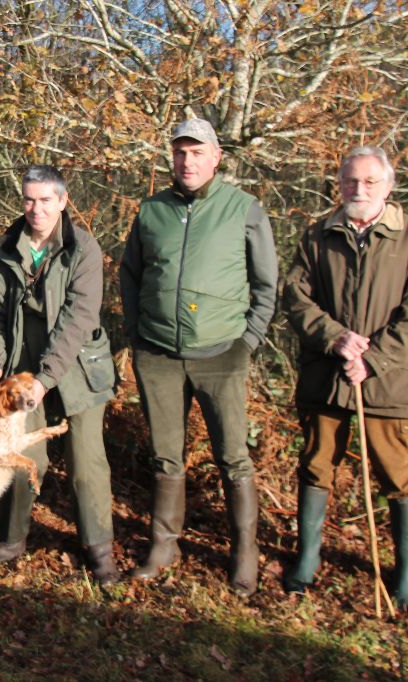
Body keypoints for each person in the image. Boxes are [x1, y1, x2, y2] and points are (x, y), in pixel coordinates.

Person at [281, 146, 408, 608]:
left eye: (370, 182)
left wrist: (376, 358)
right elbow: (294, 297)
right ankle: (307, 560)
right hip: (325, 377)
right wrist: (334, 338)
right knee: (316, 464)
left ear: (388, 186)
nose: (360, 189)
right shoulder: (317, 236)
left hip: (388, 382)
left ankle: (406, 572)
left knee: (398, 471)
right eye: (351, 181)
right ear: (339, 184)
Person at [119, 119, 278, 597]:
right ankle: (163, 547)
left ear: (216, 157)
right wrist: (138, 335)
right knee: (166, 455)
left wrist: (246, 342)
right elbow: (130, 274)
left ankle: (244, 554)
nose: (187, 162)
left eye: (197, 152)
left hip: (222, 353)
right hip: (159, 355)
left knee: (233, 457)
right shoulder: (152, 210)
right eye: (180, 152)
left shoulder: (243, 209)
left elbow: (267, 285)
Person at [0, 165, 120, 584]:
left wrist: (46, 378)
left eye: (45, 200)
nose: (35, 209)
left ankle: (99, 549)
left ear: (62, 200)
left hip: (76, 370)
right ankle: (10, 539)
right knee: (20, 456)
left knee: (87, 465)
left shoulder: (83, 250)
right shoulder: (5, 250)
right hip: (22, 374)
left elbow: (77, 320)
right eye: (28, 199)